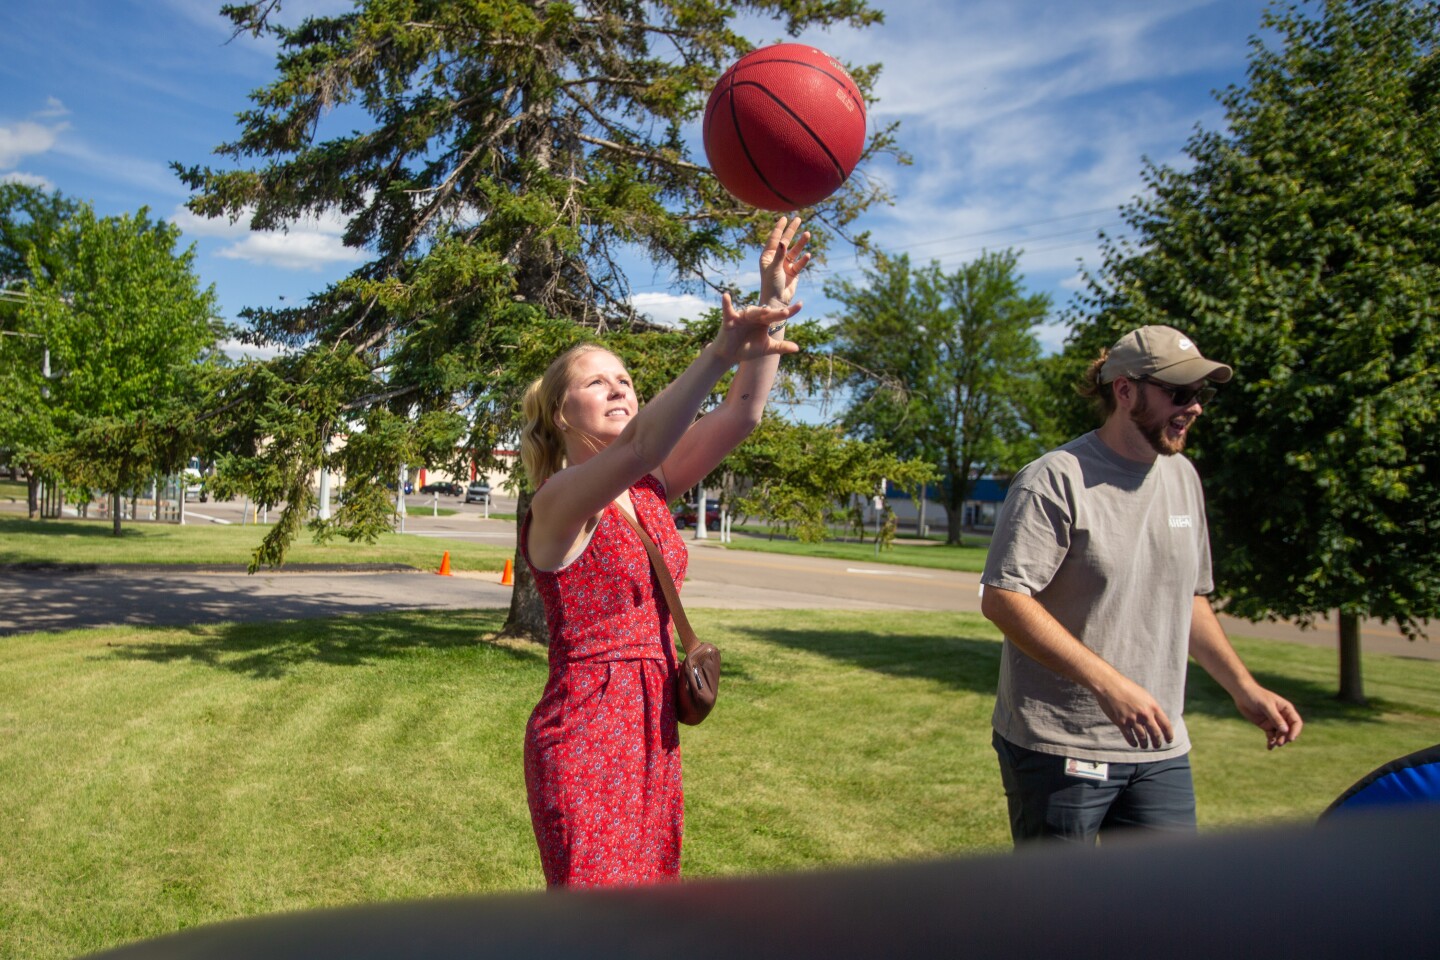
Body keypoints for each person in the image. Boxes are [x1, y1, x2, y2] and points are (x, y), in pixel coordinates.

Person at [518, 217, 809, 887]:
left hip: (653, 728)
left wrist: (765, 311)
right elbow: (643, 444)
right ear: (562, 414)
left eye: (625, 380)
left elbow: (742, 415)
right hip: (587, 732)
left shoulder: (648, 489)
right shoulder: (559, 502)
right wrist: (717, 351)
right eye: (597, 383)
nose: (620, 387)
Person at [980, 324, 1303, 846]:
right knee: (1058, 917)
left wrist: (1244, 689)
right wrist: (1110, 685)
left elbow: (1189, 599)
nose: (1195, 407)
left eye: (1201, 394)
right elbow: (1004, 598)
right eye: (1180, 392)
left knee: (1166, 909)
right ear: (1125, 390)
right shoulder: (1056, 479)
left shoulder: (1182, 478)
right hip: (1062, 745)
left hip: (1160, 746)